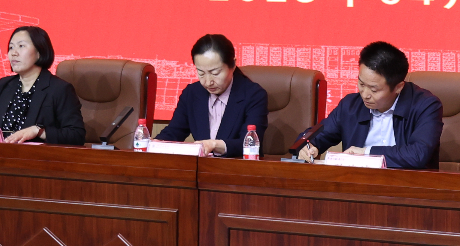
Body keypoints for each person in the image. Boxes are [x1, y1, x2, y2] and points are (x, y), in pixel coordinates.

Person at [297, 41, 442, 170]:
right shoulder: (350, 105)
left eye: (374, 89)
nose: (365, 94)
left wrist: (366, 153)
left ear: (398, 87)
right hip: (358, 185)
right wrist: (307, 146)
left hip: (409, 186)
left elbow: (417, 154)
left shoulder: (426, 106)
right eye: (361, 84)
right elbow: (315, 136)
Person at [0, 25, 85, 145]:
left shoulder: (59, 89)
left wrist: (39, 131)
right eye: (11, 47)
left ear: (40, 52)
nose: (13, 53)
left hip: (36, 156)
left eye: (21, 46)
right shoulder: (5, 85)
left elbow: (76, 135)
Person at [156, 34, 269, 157]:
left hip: (237, 165)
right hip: (202, 166)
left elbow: (250, 144)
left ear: (233, 64)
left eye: (215, 73)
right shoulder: (192, 93)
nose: (208, 82)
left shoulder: (253, 95)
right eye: (201, 73)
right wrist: (155, 143)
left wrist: (214, 145)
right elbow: (174, 132)